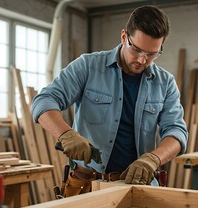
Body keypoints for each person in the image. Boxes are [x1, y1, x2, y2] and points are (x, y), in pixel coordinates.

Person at [31, 5, 188, 196]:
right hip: (86, 184)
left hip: (138, 186)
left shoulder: (165, 83)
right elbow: (44, 100)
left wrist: (154, 158)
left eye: (151, 54)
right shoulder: (88, 66)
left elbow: (176, 131)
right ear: (124, 37)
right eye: (137, 50)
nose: (142, 60)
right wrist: (66, 134)